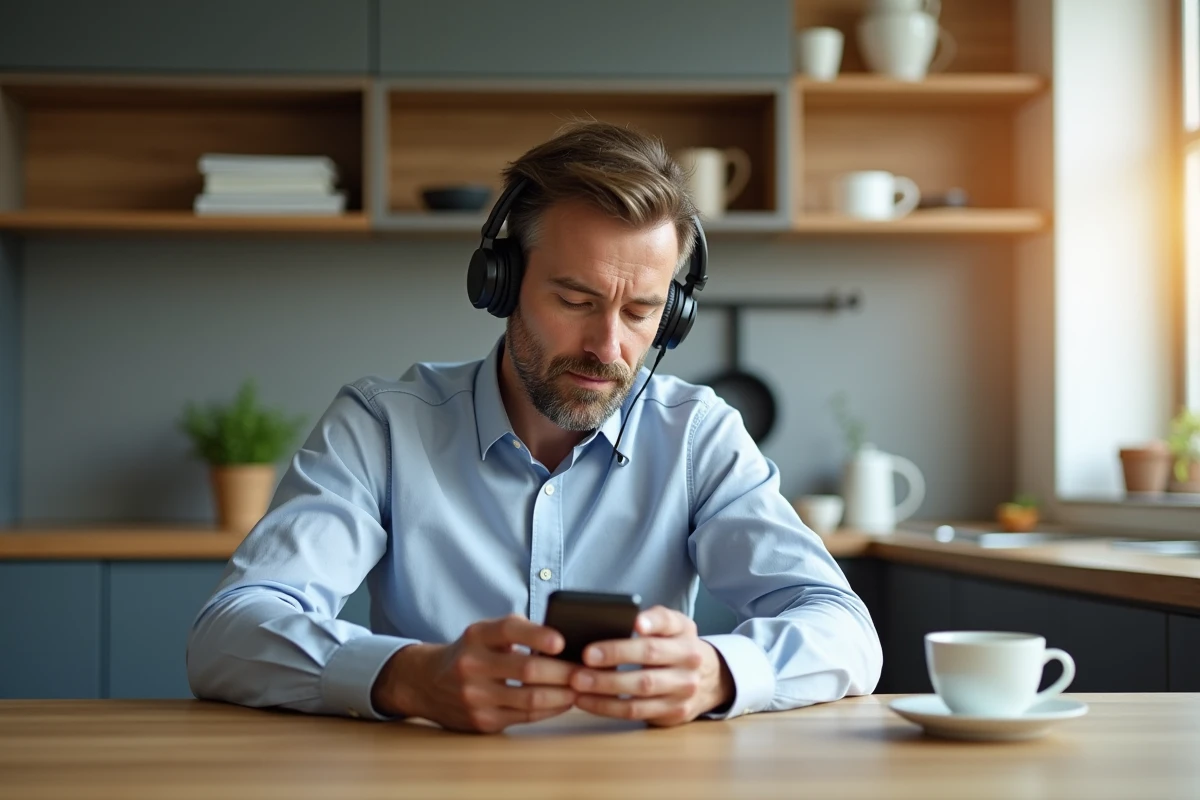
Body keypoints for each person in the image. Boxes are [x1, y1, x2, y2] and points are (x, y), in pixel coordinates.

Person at [186, 120, 882, 734]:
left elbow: (844, 629)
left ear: (672, 316)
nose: (608, 347)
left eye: (641, 311)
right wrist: (407, 677)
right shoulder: (382, 426)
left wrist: (719, 673)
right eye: (576, 299)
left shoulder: (698, 435)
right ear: (501, 281)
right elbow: (227, 634)